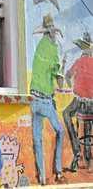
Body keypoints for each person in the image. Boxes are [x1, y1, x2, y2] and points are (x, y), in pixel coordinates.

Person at [30, 14, 66, 185]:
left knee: (38, 139)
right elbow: (56, 74)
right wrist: (59, 76)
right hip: (44, 98)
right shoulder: (51, 47)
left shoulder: (40, 46)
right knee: (60, 131)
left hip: (34, 98)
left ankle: (42, 178)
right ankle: (58, 171)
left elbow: (50, 70)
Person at [63, 32, 93, 172]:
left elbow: (67, 76)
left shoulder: (79, 61)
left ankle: (77, 151)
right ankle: (88, 158)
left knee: (66, 114)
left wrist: (71, 86)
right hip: (91, 104)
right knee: (87, 126)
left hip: (80, 101)